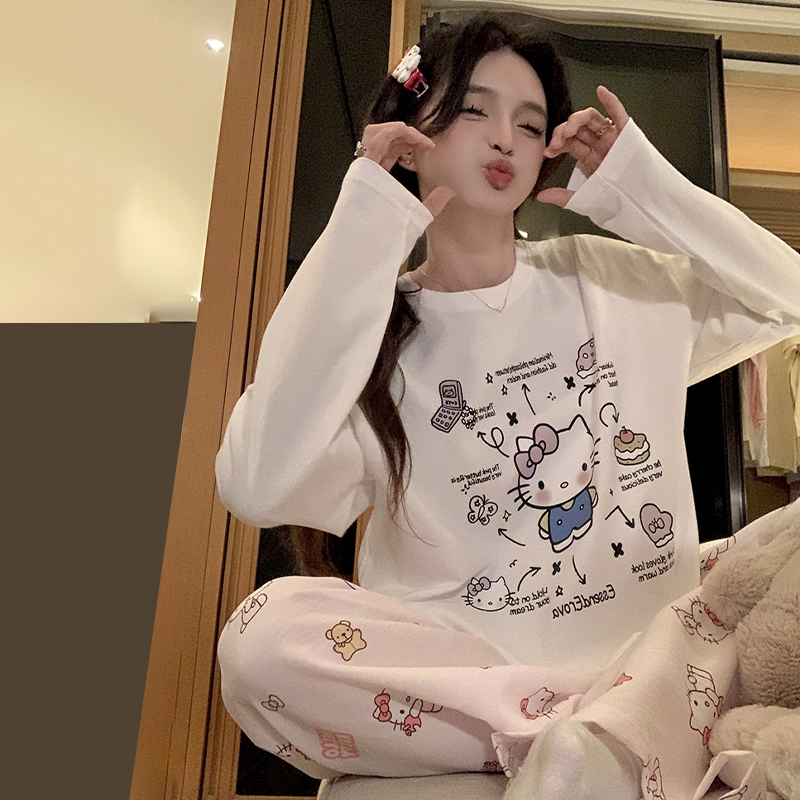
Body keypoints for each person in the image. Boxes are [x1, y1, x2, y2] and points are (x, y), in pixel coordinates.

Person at [214, 13, 800, 800]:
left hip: (653, 658)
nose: (505, 138)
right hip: (486, 685)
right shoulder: (374, 339)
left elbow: (788, 297)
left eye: (529, 123)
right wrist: (365, 221)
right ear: (409, 135)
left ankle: (614, 725)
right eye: (473, 109)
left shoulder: (610, 279)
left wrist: (641, 186)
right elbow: (255, 486)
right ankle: (572, 729)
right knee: (258, 641)